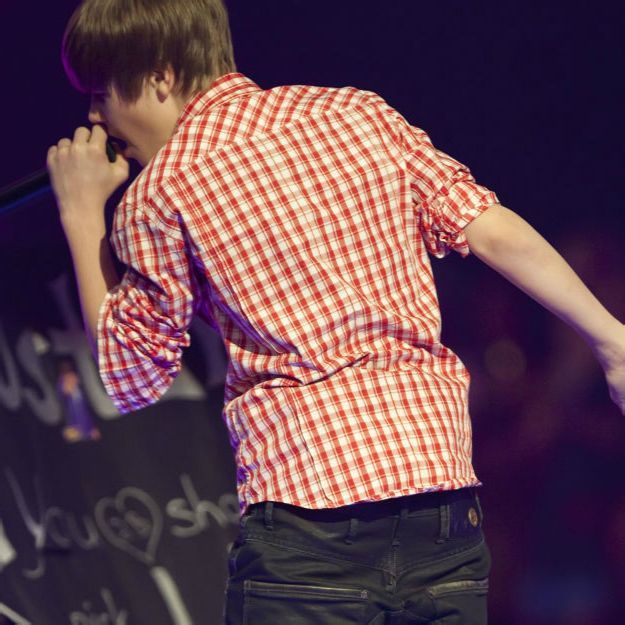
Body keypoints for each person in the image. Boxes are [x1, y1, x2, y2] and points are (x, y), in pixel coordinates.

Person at [47, 0, 625, 623]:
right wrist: (611, 340)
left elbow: (129, 376)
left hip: (308, 521)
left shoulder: (161, 193)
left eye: (102, 93)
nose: (95, 115)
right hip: (441, 499)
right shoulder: (358, 112)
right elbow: (491, 231)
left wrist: (81, 215)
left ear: (160, 75)